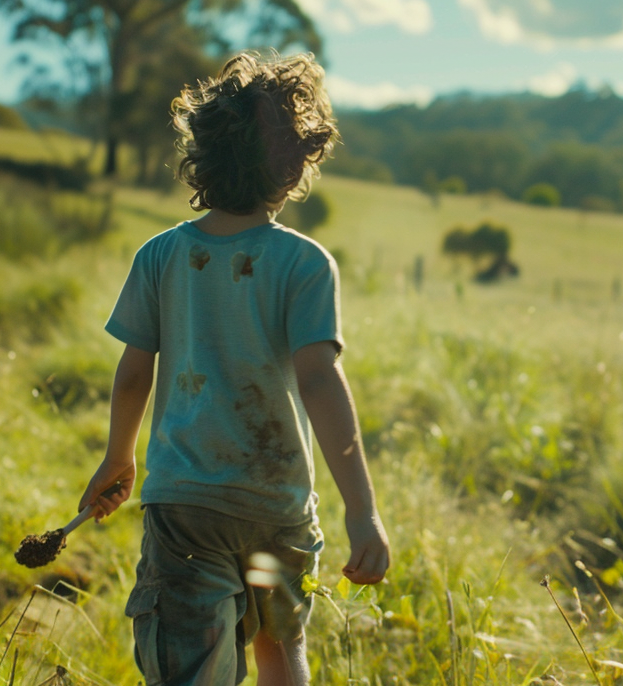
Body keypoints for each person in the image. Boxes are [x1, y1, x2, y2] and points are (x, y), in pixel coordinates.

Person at [76, 51, 390, 686]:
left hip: (185, 503)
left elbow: (134, 372)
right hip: (275, 501)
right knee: (280, 645)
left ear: (202, 154)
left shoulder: (160, 255)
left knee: (188, 666)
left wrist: (118, 457)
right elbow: (320, 381)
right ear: (297, 162)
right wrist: (363, 510)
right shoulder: (305, 264)